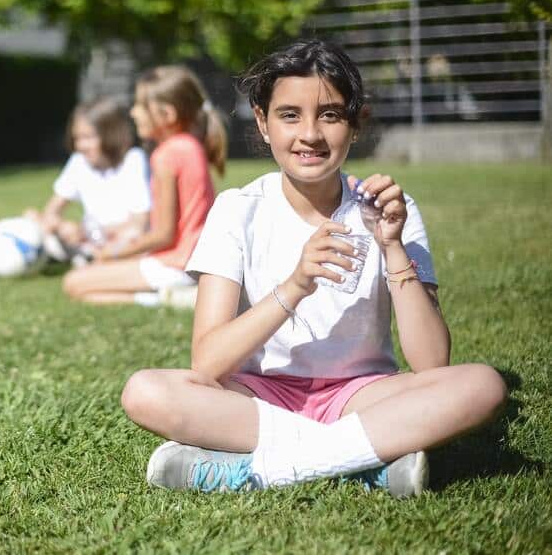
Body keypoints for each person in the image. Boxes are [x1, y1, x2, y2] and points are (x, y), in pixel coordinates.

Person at [120, 40, 507, 497]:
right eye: (289, 115)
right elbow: (207, 362)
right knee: (144, 391)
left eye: (330, 115)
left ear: (355, 125)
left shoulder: (390, 211)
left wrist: (393, 246)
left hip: (361, 397)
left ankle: (263, 471)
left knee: (482, 385)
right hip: (257, 397)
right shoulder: (236, 210)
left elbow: (430, 363)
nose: (310, 134)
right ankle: (362, 463)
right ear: (263, 123)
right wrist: (296, 284)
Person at [62, 65, 226, 305]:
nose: (133, 112)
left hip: (176, 264)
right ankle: (167, 295)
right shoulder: (190, 146)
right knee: (88, 286)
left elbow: (164, 235)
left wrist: (112, 253)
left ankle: (171, 298)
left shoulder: (167, 154)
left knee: (73, 283)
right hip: (193, 261)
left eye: (140, 105)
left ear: (167, 115)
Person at [27, 96, 150, 265]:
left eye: (89, 137)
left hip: (120, 240)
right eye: (77, 138)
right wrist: (61, 226)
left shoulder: (133, 160)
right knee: (32, 217)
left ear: (112, 134)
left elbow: (139, 223)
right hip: (90, 240)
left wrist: (86, 232)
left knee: (131, 235)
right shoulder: (79, 162)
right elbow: (52, 211)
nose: (81, 146)